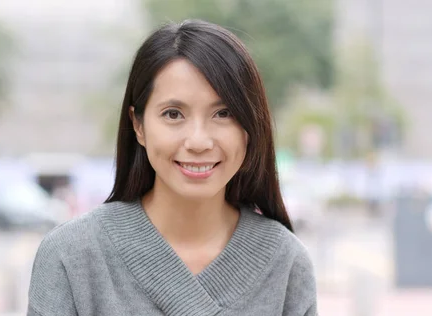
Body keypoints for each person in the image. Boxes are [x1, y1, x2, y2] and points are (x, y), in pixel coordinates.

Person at [27, 19, 317, 316]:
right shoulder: (70, 256)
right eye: (173, 114)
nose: (199, 141)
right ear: (138, 125)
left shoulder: (286, 264)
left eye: (223, 113)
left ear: (249, 126)